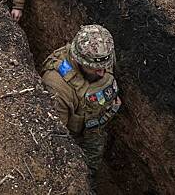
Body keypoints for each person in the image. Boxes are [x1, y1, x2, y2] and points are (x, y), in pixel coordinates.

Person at [41, 25, 121, 186]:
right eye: (95, 69)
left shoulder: (101, 55)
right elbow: (57, 136)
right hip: (76, 140)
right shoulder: (57, 86)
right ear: (79, 60)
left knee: (93, 166)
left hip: (96, 130)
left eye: (105, 66)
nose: (102, 73)